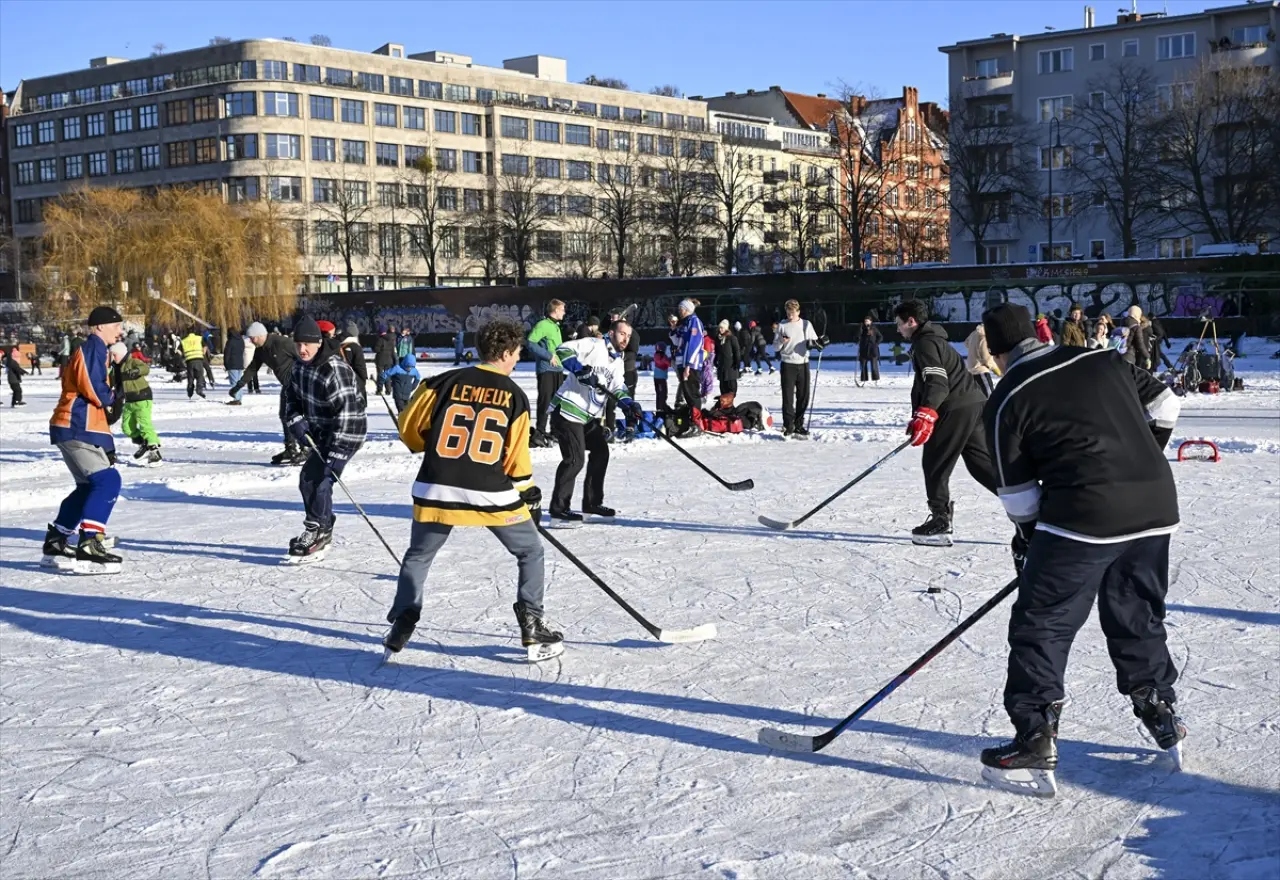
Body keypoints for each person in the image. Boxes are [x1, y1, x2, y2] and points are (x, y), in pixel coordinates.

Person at [977, 303, 1185, 797]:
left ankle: (1035, 735)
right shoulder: (1101, 358)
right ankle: (1160, 711)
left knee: (1042, 622)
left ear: (995, 350)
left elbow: (1019, 497)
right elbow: (1167, 406)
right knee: (1137, 611)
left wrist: (1030, 539)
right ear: (1037, 334)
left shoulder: (1007, 395)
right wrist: (1138, 460)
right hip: (1156, 502)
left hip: (1083, 514)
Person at [381, 317, 559, 660]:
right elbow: (516, 458)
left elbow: (408, 430)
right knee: (530, 552)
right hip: (489, 492)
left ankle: (403, 620)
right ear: (506, 352)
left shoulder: (441, 381)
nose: (519, 357)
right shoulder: (515, 395)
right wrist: (529, 494)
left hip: (436, 487)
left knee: (419, 556)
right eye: (518, 351)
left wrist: (429, 444)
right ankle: (532, 624)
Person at [895, 299, 998, 546]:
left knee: (935, 461)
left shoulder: (926, 343)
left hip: (955, 407)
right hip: (972, 404)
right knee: (981, 464)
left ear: (912, 321)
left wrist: (927, 412)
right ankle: (1031, 506)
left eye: (899, 324)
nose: (897, 329)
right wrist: (920, 412)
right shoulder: (934, 340)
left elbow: (937, 382)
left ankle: (940, 520)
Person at [43, 305, 125, 574]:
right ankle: (89, 541)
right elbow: (92, 386)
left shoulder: (95, 349)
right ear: (100, 326)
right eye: (116, 326)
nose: (120, 331)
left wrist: (107, 444)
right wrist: (110, 398)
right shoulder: (94, 346)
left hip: (73, 425)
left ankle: (57, 539)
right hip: (76, 424)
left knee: (89, 486)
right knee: (108, 481)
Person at [282, 316, 368, 561]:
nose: (302, 349)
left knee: (322, 481)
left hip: (348, 433)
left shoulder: (334, 369)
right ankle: (320, 526)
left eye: (307, 344)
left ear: (319, 343)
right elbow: (292, 398)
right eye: (298, 344)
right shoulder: (299, 367)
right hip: (322, 433)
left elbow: (349, 414)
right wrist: (295, 419)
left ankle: (320, 530)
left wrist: (338, 451)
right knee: (307, 479)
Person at [547, 319, 643, 523]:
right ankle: (559, 509)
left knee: (601, 452)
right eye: (621, 333)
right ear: (611, 333)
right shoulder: (594, 344)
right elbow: (562, 349)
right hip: (566, 411)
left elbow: (618, 387)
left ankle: (591, 503)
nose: (625, 338)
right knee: (575, 459)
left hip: (586, 417)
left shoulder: (618, 360)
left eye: (628, 335)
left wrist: (629, 404)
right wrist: (580, 370)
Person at [230, 321, 302, 464]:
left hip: (299, 384)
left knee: (298, 417)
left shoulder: (282, 342)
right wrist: (238, 386)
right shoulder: (261, 350)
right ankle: (290, 448)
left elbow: (303, 357)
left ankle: (306, 449)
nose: (250, 341)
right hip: (287, 386)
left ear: (260, 335)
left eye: (252, 338)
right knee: (284, 415)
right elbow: (252, 369)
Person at [774, 299, 826, 437]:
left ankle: (799, 424)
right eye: (788, 312)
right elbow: (775, 347)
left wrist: (819, 343)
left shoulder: (805, 324)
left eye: (792, 312)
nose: (790, 315)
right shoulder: (782, 325)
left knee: (803, 396)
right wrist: (781, 341)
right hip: (787, 364)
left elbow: (814, 341)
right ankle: (788, 425)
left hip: (803, 363)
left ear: (798, 311)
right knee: (788, 397)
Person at [525, 299, 566, 447]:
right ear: (555, 310)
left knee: (557, 402)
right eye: (562, 310)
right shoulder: (543, 324)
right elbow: (530, 342)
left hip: (559, 369)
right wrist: (548, 356)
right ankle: (540, 432)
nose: (564, 312)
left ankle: (555, 432)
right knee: (545, 401)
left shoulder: (555, 326)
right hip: (546, 369)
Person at [116, 342, 162, 466]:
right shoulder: (118, 366)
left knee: (145, 425)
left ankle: (154, 453)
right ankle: (145, 444)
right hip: (129, 400)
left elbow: (145, 368)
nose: (113, 357)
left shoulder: (132, 361)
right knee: (127, 427)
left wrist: (137, 371)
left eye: (114, 355)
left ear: (120, 354)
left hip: (142, 397)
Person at [964, 322, 1000, 397]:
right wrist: (996, 370)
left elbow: (966, 343)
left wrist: (973, 349)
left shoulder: (974, 333)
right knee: (990, 396)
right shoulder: (984, 337)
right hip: (981, 370)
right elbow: (986, 358)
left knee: (978, 396)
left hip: (971, 369)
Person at [339, 321, 368, 405]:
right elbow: (360, 366)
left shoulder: (338, 346)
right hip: (355, 381)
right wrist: (363, 380)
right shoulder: (356, 347)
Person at [715, 319, 740, 404]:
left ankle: (730, 403)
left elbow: (736, 350)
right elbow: (717, 351)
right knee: (723, 386)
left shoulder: (731, 338)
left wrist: (737, 361)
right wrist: (715, 359)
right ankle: (724, 403)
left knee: (731, 387)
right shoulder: (718, 339)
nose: (720, 329)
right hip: (722, 365)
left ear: (726, 328)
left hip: (731, 366)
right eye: (719, 328)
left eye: (722, 328)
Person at [180, 325, 207, 399]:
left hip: (189, 360)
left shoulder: (184, 340)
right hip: (198, 359)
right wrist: (202, 353)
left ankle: (190, 391)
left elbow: (179, 351)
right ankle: (199, 389)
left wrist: (183, 357)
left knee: (190, 377)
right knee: (200, 375)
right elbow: (205, 347)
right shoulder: (199, 338)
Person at [223, 329, 247, 406]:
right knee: (238, 382)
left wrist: (226, 364)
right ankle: (239, 398)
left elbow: (227, 354)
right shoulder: (241, 341)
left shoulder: (230, 342)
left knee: (234, 382)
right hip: (240, 363)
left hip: (232, 364)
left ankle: (236, 399)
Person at [857, 316, 883, 385]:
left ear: (870, 321)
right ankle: (864, 379)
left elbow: (880, 337)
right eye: (865, 321)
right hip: (864, 349)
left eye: (867, 321)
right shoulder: (862, 328)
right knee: (863, 365)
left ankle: (875, 379)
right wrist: (860, 329)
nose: (866, 322)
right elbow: (858, 337)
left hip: (872, 349)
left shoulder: (874, 328)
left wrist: (876, 344)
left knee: (874, 366)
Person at [373, 325, 396, 395]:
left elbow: (376, 349)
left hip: (380, 359)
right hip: (389, 359)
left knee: (380, 375)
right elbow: (393, 351)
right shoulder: (391, 340)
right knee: (388, 375)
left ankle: (379, 390)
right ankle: (388, 390)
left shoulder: (380, 339)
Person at [652, 343, 671, 413]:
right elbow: (668, 363)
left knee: (658, 393)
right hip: (661, 377)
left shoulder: (655, 355)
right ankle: (662, 407)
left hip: (656, 377)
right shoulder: (663, 356)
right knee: (663, 393)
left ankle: (659, 407)